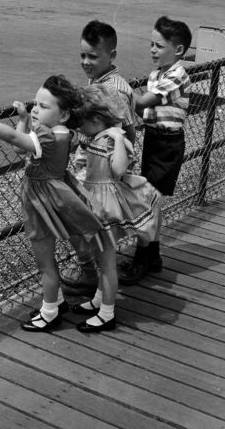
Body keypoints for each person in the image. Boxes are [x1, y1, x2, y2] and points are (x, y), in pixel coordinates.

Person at [0, 75, 105, 333]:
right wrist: (25, 119)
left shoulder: (47, 138)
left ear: (64, 115)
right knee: (49, 255)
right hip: (54, 195)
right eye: (36, 104)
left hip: (41, 201)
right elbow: (21, 148)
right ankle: (56, 301)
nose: (36, 109)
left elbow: (14, 141)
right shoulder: (62, 133)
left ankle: (50, 310)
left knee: (45, 261)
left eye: (44, 107)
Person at [72, 83, 158, 333]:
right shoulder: (96, 137)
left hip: (105, 206)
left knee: (107, 262)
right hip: (95, 200)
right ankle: (100, 300)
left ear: (97, 119)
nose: (78, 127)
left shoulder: (111, 139)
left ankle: (107, 313)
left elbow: (119, 169)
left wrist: (119, 139)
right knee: (101, 257)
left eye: (81, 122)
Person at [60, 19, 137, 297]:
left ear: (111, 55)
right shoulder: (100, 81)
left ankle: (92, 275)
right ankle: (93, 274)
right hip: (90, 167)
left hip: (98, 174)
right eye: (82, 55)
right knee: (81, 222)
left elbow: (128, 133)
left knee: (82, 223)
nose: (86, 62)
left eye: (93, 56)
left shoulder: (114, 89)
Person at [118, 15, 192, 285]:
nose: (152, 50)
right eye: (152, 44)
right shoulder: (157, 74)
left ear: (179, 50)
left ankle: (141, 259)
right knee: (153, 202)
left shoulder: (177, 74)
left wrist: (116, 85)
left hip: (167, 144)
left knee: (148, 201)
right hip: (154, 139)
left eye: (159, 46)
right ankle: (153, 256)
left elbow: (142, 103)